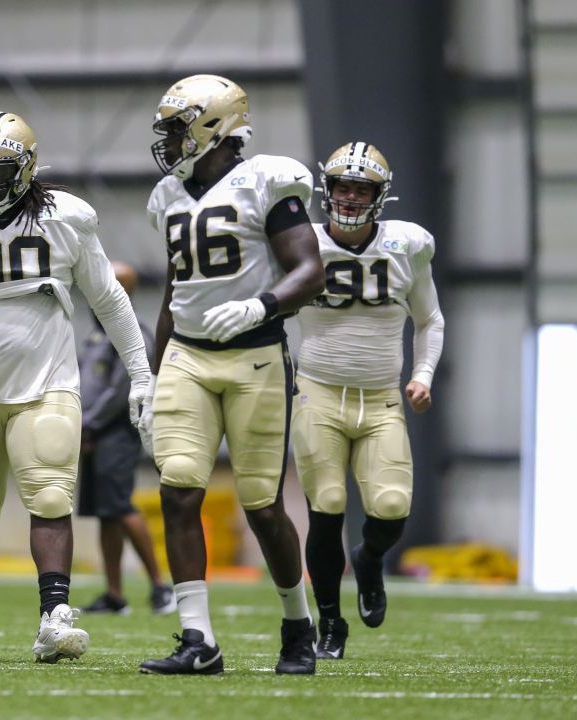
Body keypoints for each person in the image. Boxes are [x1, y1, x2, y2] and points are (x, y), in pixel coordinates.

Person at [0, 111, 152, 664]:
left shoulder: (64, 218)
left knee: (49, 496)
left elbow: (110, 300)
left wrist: (140, 371)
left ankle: (55, 618)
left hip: (47, 384)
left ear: (25, 170)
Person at [137, 74, 325, 676]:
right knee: (179, 488)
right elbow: (175, 291)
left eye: (176, 125)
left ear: (211, 125)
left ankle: (298, 624)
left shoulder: (266, 180)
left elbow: (309, 270)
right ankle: (199, 640)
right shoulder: (167, 196)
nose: (167, 138)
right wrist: (152, 372)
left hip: (256, 356)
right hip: (188, 356)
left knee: (262, 505)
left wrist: (261, 304)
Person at [292, 141, 444, 660]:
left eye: (362, 188)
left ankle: (370, 557)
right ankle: (331, 623)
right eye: (343, 186)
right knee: (328, 504)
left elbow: (429, 320)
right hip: (318, 392)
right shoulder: (301, 243)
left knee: (391, 507)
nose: (351, 196)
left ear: (381, 196)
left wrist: (423, 373)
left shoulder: (406, 246)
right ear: (326, 189)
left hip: (381, 399)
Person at [77, 260, 175, 616]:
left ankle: (161, 587)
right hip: (92, 435)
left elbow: (122, 391)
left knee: (120, 506)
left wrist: (88, 424)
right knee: (107, 513)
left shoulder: (132, 332)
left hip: (115, 433)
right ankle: (115, 595)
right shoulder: (97, 332)